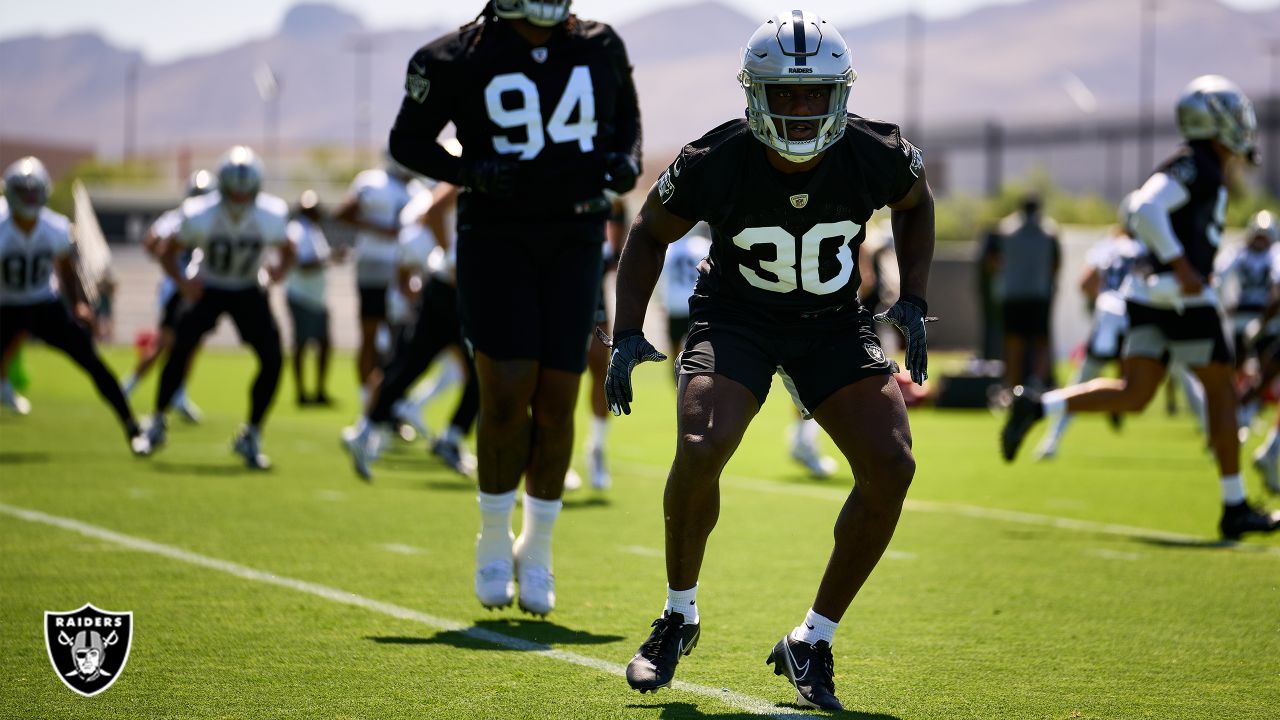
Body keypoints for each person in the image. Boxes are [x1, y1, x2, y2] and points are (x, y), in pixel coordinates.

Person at [606, 11, 934, 710]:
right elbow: (647, 230)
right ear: (754, 93)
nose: (799, 107)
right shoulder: (714, 159)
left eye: (813, 92)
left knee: (893, 465)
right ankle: (677, 616)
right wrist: (625, 331)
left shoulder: (876, 151)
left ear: (839, 93)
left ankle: (811, 640)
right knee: (701, 443)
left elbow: (916, 202)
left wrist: (915, 294)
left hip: (834, 324)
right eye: (784, 93)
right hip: (737, 317)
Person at [387, 0, 642, 617]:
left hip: (575, 237)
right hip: (496, 238)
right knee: (504, 388)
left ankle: (541, 548)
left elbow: (627, 128)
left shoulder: (599, 44)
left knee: (558, 397)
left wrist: (625, 162)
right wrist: (468, 170)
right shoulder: (456, 55)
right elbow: (408, 140)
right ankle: (495, 538)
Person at [1001, 75, 1280, 540]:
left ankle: (1039, 406)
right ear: (1214, 121)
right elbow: (1141, 208)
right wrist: (1181, 264)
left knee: (1135, 393)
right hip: (1182, 297)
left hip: (1151, 296)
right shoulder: (1197, 164)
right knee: (1222, 394)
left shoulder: (1200, 165)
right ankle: (1234, 506)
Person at [146, 146, 295, 470]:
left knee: (272, 358)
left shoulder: (270, 214)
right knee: (180, 349)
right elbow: (167, 251)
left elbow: (289, 249)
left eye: (246, 191)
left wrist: (277, 274)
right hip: (210, 286)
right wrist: (184, 283)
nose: (240, 198)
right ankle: (157, 421)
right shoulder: (200, 212)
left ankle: (252, 433)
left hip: (248, 288)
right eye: (234, 191)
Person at [0, 156, 150, 455]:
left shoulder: (55, 228)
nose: (30, 199)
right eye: (24, 192)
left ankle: (133, 428)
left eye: (35, 191)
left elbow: (66, 270)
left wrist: (79, 304)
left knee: (92, 362)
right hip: (4, 306)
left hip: (43, 303)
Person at [342, 181, 482, 480]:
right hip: (454, 289)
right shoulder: (465, 175)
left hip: (447, 287)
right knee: (483, 370)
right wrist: (450, 254)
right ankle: (451, 437)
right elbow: (433, 210)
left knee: (411, 367)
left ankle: (365, 431)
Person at [121, 169, 215, 423]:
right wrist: (171, 259)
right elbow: (151, 243)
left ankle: (179, 394)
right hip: (176, 290)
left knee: (191, 346)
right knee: (164, 343)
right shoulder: (178, 219)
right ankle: (128, 386)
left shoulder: (209, 219)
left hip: (195, 291)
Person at [334, 158, 418, 402]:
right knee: (370, 334)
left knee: (400, 338)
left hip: (404, 268)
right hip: (373, 265)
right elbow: (343, 212)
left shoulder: (417, 190)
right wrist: (380, 229)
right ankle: (366, 401)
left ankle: (389, 401)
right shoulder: (373, 181)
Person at [988, 193, 1061, 390]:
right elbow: (1056, 263)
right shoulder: (1049, 231)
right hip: (1039, 293)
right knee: (1041, 342)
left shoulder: (1006, 229)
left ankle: (1013, 386)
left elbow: (992, 259)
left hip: (1012, 294)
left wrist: (1007, 273)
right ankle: (1037, 384)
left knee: (1013, 343)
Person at [285, 189, 338, 406]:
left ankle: (319, 391)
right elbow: (301, 264)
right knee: (301, 344)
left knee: (324, 343)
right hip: (301, 296)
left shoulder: (313, 231)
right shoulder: (298, 230)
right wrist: (329, 259)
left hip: (316, 298)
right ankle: (301, 392)